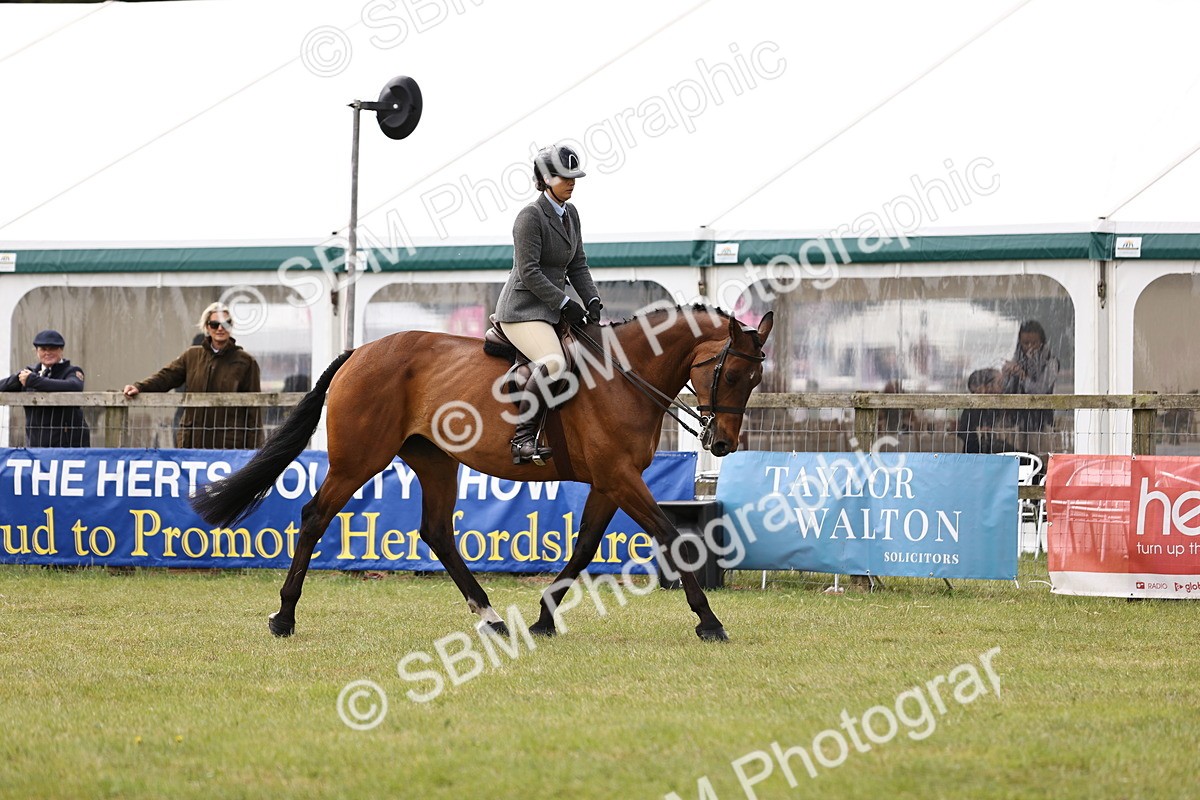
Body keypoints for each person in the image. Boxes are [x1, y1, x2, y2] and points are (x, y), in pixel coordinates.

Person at [493, 143, 602, 465]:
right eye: (564, 176)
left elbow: (578, 264)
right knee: (554, 363)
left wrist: (592, 297)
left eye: (574, 177)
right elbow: (528, 272)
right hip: (523, 310)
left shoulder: (571, 214)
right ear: (544, 179)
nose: (572, 182)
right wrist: (566, 302)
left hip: (553, 308)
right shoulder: (530, 217)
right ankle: (523, 438)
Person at [123, 303, 264, 449]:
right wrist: (139, 387)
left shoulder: (246, 362)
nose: (220, 328)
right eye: (215, 324)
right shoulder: (191, 356)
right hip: (192, 443)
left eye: (225, 324)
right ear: (207, 327)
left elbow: (254, 410)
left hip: (228, 446)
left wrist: (254, 451)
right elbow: (166, 377)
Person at [1, 329, 91, 447]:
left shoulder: (72, 371)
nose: (47, 353)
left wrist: (33, 381)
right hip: (36, 447)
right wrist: (18, 378)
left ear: (61, 350)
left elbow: (74, 386)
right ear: (37, 352)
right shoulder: (30, 373)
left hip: (69, 448)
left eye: (52, 348)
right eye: (43, 349)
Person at [1001, 320, 1059, 455]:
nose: (1030, 347)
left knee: (1040, 461)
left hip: (1041, 422)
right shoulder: (1018, 358)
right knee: (1017, 460)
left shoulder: (1051, 362)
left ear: (1042, 342)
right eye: (1025, 343)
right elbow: (1006, 389)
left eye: (1034, 343)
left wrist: (1022, 377)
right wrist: (1006, 374)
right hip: (1018, 421)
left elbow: (1041, 390)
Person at [958, 368, 1013, 454]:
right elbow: (963, 432)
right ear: (987, 386)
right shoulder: (972, 407)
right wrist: (977, 432)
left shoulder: (1001, 405)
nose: (1003, 386)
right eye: (1000, 383)